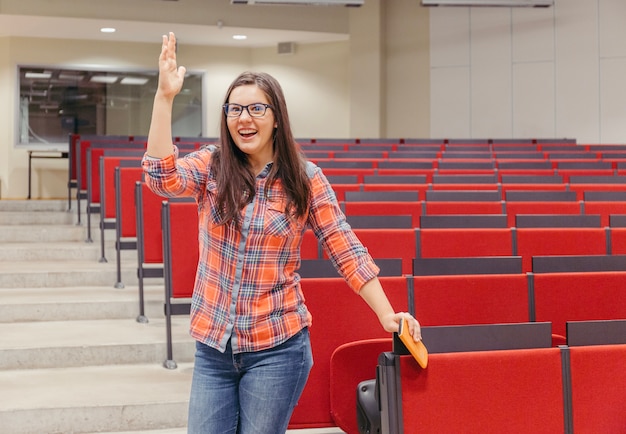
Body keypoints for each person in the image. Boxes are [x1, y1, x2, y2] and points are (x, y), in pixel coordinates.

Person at [142, 32, 422, 434]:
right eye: (234, 109)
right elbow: (161, 178)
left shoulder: (306, 181)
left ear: (276, 116)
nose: (244, 118)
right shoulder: (212, 166)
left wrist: (386, 313)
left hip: (277, 347)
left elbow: (346, 250)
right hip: (214, 347)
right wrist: (164, 98)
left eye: (256, 108)